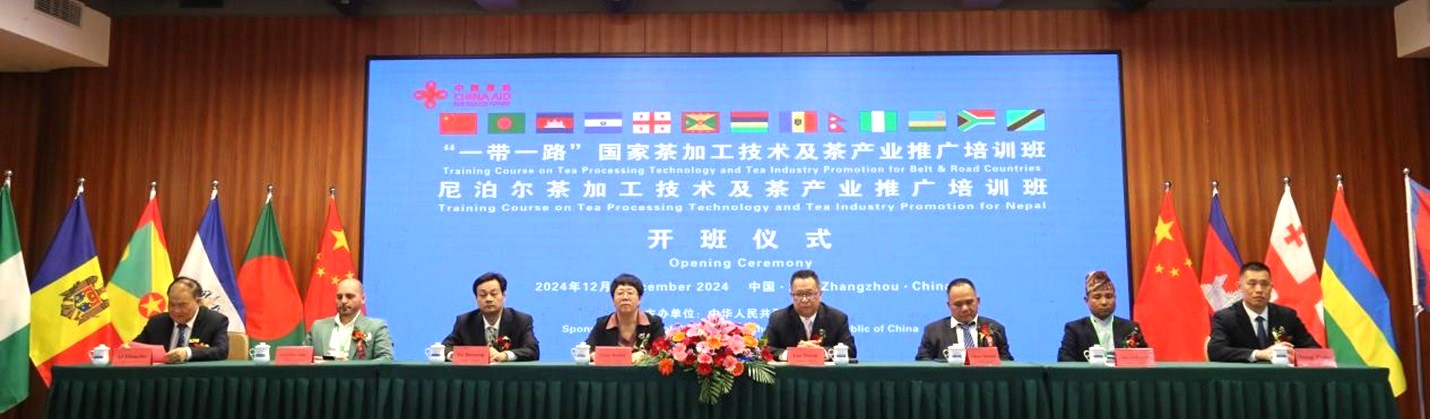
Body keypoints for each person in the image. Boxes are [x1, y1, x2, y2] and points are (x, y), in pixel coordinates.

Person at [1207, 261, 1320, 362]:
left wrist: (1293, 355)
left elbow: (1314, 350)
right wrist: (1259, 354)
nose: (1259, 290)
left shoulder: (1287, 316)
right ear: (1239, 287)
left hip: (1281, 376)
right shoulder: (1226, 317)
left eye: (1265, 284)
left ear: (1271, 287)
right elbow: (1216, 351)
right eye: (1252, 284)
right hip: (1243, 377)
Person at [440, 272, 539, 362]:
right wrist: (456, 356)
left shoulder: (520, 320)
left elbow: (532, 350)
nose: (488, 299)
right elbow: (444, 348)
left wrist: (504, 356)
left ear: (504, 295)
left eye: (493, 294)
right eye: (483, 295)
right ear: (476, 298)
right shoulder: (465, 321)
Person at [762, 269, 857, 361]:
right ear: (791, 295)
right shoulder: (778, 319)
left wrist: (822, 352)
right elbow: (763, 349)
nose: (804, 300)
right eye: (799, 294)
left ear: (820, 294)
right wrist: (792, 353)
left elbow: (851, 351)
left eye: (809, 294)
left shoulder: (837, 318)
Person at [132, 277, 230, 363]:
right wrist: (127, 349)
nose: (176, 311)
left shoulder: (215, 321)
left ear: (198, 302)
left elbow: (221, 351)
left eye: (182, 305)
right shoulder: (157, 322)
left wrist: (188, 352)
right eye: (172, 304)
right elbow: (135, 347)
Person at [1056, 270, 1146, 362]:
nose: (1104, 302)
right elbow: (1064, 359)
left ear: (1115, 298)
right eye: (1097, 297)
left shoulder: (1131, 328)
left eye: (1109, 296)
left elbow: (1145, 360)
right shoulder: (1075, 329)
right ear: (1086, 300)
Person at [915, 278, 1012, 361]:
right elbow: (923, 363)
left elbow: (1006, 363)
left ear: (978, 301)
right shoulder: (933, 331)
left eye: (969, 302)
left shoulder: (995, 328)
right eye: (958, 304)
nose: (964, 308)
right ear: (949, 305)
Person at [305, 278, 393, 361]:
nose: (343, 301)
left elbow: (386, 359)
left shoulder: (376, 327)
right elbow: (304, 358)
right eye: (339, 297)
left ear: (363, 299)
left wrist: (350, 365)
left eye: (349, 296)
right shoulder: (318, 327)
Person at [585, 273, 665, 359]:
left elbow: (662, 351)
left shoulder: (654, 323)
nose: (625, 297)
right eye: (620, 293)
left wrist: (643, 355)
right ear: (613, 299)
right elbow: (588, 349)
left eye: (630, 293)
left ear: (639, 298)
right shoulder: (602, 324)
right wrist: (595, 356)